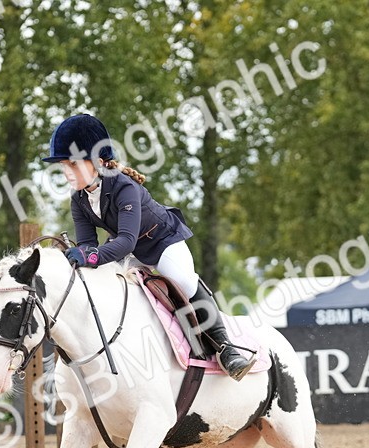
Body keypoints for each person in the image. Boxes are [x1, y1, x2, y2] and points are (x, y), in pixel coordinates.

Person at [42, 113, 256, 381]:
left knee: (183, 282)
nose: (66, 172)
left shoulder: (124, 187)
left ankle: (227, 349)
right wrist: (80, 255)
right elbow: (88, 244)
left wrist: (90, 256)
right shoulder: (79, 199)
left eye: (72, 164)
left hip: (162, 242)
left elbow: (125, 241)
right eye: (63, 165)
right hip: (128, 252)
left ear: (97, 161)